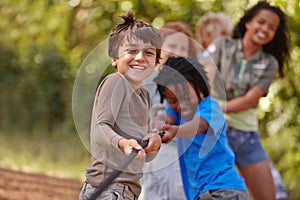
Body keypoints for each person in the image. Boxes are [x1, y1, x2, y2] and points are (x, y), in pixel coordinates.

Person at [200, 1, 291, 200]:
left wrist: (217, 106)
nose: (265, 29)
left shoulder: (269, 63)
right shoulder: (221, 46)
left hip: (246, 137)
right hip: (215, 132)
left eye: (272, 28)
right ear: (248, 22)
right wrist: (210, 112)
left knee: (268, 196)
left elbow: (250, 100)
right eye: (261, 22)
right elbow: (203, 80)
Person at [78, 11, 163, 200]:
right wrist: (123, 143)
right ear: (114, 58)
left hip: (126, 191)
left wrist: (153, 144)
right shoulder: (116, 81)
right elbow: (100, 129)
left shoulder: (144, 96)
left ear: (156, 62)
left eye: (149, 53)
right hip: (108, 188)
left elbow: (143, 156)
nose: (140, 57)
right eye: (132, 51)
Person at [153, 57, 250, 200]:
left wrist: (176, 131)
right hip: (200, 194)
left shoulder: (210, 107)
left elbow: (198, 125)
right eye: (173, 101)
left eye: (186, 97)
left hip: (224, 190)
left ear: (201, 89)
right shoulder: (176, 113)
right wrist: (156, 130)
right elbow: (163, 118)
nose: (181, 105)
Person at [139, 21, 197, 200]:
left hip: (184, 149)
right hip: (157, 149)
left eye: (182, 48)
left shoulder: (193, 84)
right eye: (171, 45)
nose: (176, 51)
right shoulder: (149, 78)